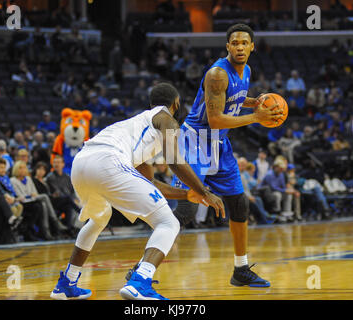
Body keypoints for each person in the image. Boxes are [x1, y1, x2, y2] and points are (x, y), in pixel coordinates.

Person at [49, 82, 225, 300]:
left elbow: (148, 182)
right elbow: (174, 161)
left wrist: (187, 194)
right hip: (108, 161)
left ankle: (67, 281)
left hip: (82, 163)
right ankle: (140, 281)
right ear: (176, 104)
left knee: (99, 219)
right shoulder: (166, 119)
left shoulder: (138, 127)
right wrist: (204, 190)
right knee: (169, 223)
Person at [167, 24, 282, 288]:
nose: (240, 47)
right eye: (235, 43)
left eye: (244, 43)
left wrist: (255, 102)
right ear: (227, 47)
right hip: (194, 142)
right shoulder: (217, 74)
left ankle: (241, 269)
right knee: (186, 210)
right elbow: (216, 118)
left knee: (240, 204)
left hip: (219, 144)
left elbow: (233, 99)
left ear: (252, 46)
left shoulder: (246, 71)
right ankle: (143, 268)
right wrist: (257, 117)